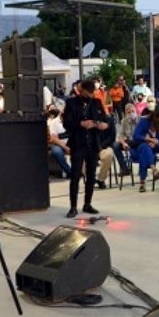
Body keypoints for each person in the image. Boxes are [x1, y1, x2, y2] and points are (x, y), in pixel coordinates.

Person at [62, 79, 109, 218]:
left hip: (93, 144)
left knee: (91, 175)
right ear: (81, 91)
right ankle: (73, 206)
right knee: (75, 175)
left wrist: (101, 124)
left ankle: (87, 203)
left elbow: (105, 119)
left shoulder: (96, 102)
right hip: (78, 143)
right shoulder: (71, 103)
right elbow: (67, 123)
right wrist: (81, 123)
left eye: (92, 93)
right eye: (87, 93)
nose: (90, 95)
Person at [131, 108, 159, 192]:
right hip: (136, 150)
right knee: (144, 147)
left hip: (151, 152)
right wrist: (149, 139)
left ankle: (142, 183)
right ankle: (153, 168)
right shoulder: (144, 122)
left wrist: (156, 143)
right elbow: (135, 136)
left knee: (144, 152)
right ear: (156, 117)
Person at [47, 106, 72, 179]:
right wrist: (65, 147)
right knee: (57, 152)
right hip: (59, 144)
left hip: (72, 142)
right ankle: (70, 172)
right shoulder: (54, 122)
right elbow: (53, 139)